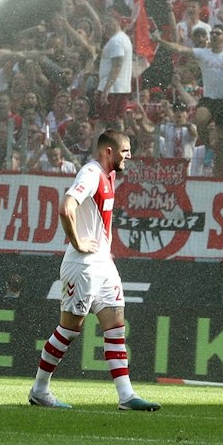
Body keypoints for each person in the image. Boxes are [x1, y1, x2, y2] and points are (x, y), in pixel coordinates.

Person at [28, 130, 159, 411]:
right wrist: (77, 241)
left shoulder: (109, 176)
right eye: (125, 151)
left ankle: (126, 396)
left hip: (103, 265)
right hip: (83, 265)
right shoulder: (90, 173)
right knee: (70, 329)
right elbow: (66, 208)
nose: (129, 156)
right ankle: (39, 389)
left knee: (115, 326)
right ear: (108, 151)